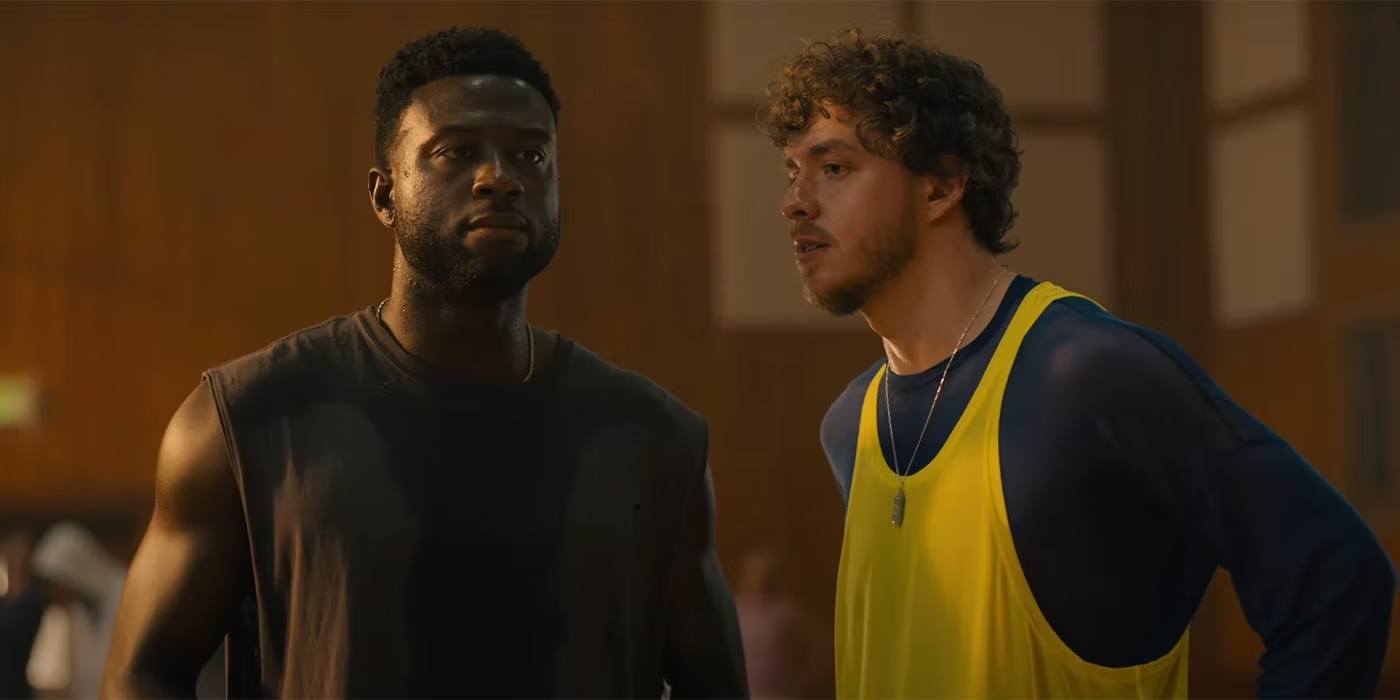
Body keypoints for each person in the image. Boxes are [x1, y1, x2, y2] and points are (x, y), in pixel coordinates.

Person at [101, 26, 748, 700]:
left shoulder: (654, 438)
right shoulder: (245, 419)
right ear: (384, 195)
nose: (499, 177)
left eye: (530, 154)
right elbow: (141, 673)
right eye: (456, 152)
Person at [759, 28, 1397, 699]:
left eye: (835, 168)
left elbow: (1340, 581)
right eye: (793, 172)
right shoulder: (849, 426)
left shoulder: (1089, 376)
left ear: (941, 186)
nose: (795, 201)